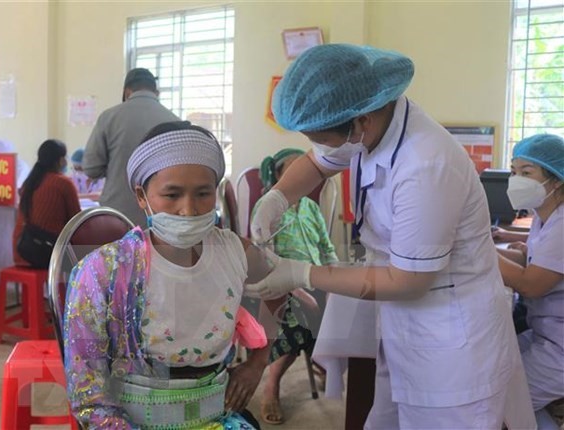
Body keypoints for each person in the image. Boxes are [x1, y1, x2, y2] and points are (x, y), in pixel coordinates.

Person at [246, 44, 535, 428]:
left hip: (452, 346)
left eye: (322, 136)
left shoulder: (425, 164)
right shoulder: (371, 125)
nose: (318, 146)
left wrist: (303, 273)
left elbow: (408, 279)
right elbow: (317, 163)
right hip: (407, 328)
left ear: (360, 121)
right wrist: (277, 197)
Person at [64, 121, 284, 429]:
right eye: (172, 194)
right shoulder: (104, 271)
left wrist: (258, 362)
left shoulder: (234, 252)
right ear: (142, 196)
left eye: (203, 193)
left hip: (218, 418)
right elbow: (88, 393)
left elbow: (280, 286)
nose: (189, 210)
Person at [255, 148, 337, 425]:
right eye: (290, 171)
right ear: (278, 177)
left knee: (341, 313)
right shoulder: (267, 209)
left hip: (314, 277)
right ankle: (272, 387)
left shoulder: (311, 208)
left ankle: (325, 363)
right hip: (281, 284)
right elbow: (261, 258)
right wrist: (296, 288)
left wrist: (336, 279)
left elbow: (326, 247)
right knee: (301, 320)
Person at [496, 134, 564, 428]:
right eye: (513, 172)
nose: (516, 180)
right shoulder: (545, 216)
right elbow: (533, 262)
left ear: (556, 179)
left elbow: (532, 283)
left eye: (526, 173)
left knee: (501, 401)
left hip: (559, 348)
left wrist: (478, 251)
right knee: (492, 372)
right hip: (545, 333)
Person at [84, 68, 179, 226]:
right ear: (157, 93)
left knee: (117, 252)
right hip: (160, 217)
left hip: (117, 216)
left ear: (127, 92)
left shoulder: (109, 117)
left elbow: (91, 168)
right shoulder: (174, 121)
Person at [12, 139, 81, 267]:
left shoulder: (30, 182)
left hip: (22, 250)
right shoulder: (63, 183)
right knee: (92, 252)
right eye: (65, 157)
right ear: (60, 160)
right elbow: (76, 221)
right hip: (46, 253)